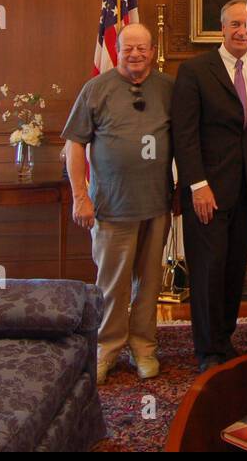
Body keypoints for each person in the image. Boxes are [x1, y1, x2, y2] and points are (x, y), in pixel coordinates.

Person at [62, 22, 173, 384]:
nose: (136, 54)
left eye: (143, 48)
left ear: (153, 51)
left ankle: (144, 347)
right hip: (111, 206)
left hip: (157, 205)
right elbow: (75, 144)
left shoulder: (168, 89)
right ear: (119, 50)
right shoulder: (96, 89)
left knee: (150, 283)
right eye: (129, 48)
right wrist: (80, 197)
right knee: (112, 284)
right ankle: (107, 348)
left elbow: (186, 139)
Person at [172, 0, 247, 371]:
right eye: (235, 25)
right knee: (208, 270)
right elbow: (185, 135)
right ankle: (207, 351)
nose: (242, 31)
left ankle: (224, 340)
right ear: (222, 27)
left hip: (246, 191)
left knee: (233, 270)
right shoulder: (195, 71)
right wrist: (197, 184)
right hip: (207, 191)